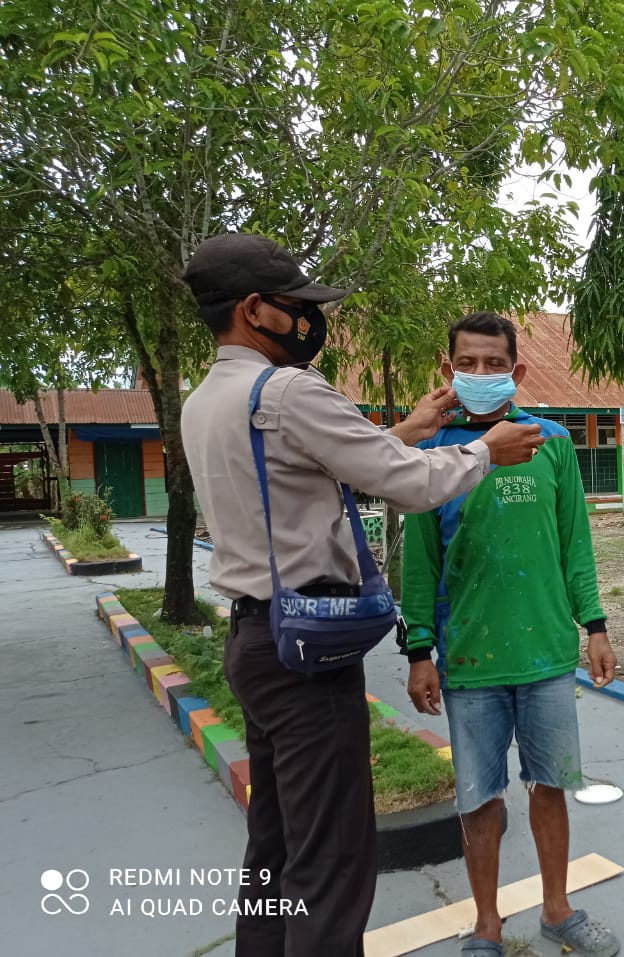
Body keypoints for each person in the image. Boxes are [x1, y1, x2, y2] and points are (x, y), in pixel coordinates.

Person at [180, 233, 545, 957]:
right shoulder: (288, 391)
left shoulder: (208, 398)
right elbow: (406, 484)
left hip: (254, 639)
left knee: (276, 842)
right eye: (296, 306)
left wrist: (409, 430)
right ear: (254, 310)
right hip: (305, 654)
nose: (308, 319)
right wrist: (484, 450)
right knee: (332, 859)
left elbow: (321, 471)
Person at [400, 311, 621, 957]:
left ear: (516, 370)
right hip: (469, 658)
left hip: (547, 653)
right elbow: (420, 564)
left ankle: (558, 910)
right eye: (467, 363)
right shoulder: (432, 453)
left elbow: (574, 542)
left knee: (551, 786)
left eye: (494, 363)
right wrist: (420, 650)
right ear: (447, 370)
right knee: (479, 801)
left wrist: (595, 625)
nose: (480, 373)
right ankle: (486, 925)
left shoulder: (551, 441)